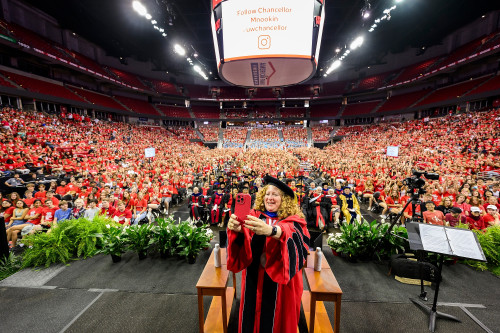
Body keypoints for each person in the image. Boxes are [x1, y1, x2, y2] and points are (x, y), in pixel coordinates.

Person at [226, 175, 309, 333]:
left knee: (277, 323)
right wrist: (236, 230)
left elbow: (293, 232)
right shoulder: (254, 216)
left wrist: (272, 231)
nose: (270, 198)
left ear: (284, 199)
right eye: (267, 194)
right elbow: (241, 241)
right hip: (254, 278)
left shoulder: (294, 220)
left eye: (275, 195)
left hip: (281, 284)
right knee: (251, 317)